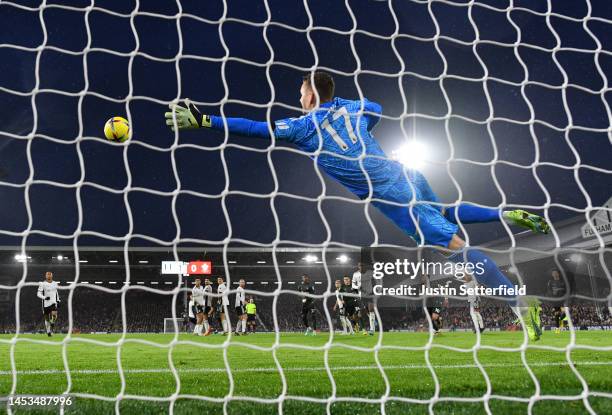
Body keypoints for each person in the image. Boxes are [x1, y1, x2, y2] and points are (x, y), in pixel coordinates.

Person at [166, 71, 549, 340]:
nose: (299, 98)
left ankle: (520, 302)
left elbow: (257, 128)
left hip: (389, 193)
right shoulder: (352, 109)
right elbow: (376, 107)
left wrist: (205, 120)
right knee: (444, 215)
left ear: (312, 95)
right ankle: (504, 213)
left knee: (454, 249)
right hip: (404, 174)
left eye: (302, 92)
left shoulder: (304, 126)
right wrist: (344, 107)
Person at [37, 271, 59, 337]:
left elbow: (56, 292)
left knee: (54, 315)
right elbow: (38, 294)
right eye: (47, 274)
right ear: (45, 276)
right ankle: (48, 332)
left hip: (53, 302)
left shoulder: (55, 283)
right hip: (45, 304)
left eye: (50, 274)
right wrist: (44, 297)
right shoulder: (42, 284)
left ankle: (52, 322)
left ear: (52, 276)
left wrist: (58, 300)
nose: (48, 275)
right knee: (46, 319)